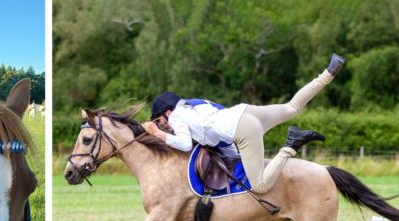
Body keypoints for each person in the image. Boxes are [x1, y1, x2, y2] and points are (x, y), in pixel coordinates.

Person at [142, 53, 345, 194]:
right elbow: (222, 139)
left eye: (159, 121)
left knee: (260, 186)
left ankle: (290, 145)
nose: (162, 125)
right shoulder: (195, 105)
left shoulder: (177, 117)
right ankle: (329, 72)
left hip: (243, 129)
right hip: (247, 112)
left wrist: (157, 134)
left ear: (168, 112)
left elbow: (185, 144)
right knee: (292, 107)